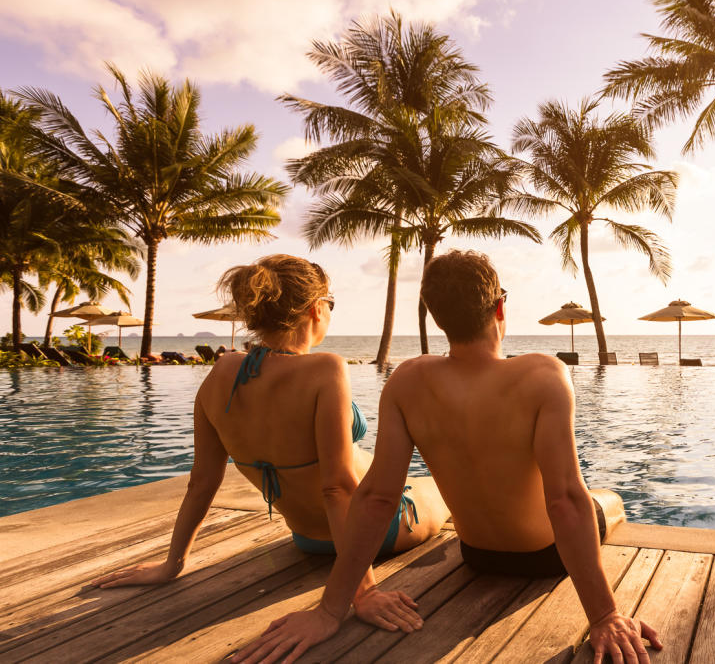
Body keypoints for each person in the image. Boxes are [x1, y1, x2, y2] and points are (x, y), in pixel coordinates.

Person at [236, 250, 661, 664]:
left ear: (436, 316)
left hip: (476, 553)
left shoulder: (407, 380)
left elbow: (377, 498)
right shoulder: (542, 374)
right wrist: (605, 616)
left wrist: (331, 610)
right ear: (499, 307)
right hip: (544, 559)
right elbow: (564, 500)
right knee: (607, 499)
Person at [91, 254, 448, 634]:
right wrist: (363, 594)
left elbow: (201, 482)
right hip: (376, 533)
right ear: (315, 308)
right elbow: (337, 488)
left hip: (307, 539)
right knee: (443, 485)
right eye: (331, 304)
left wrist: (172, 565)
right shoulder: (327, 369)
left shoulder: (221, 373)